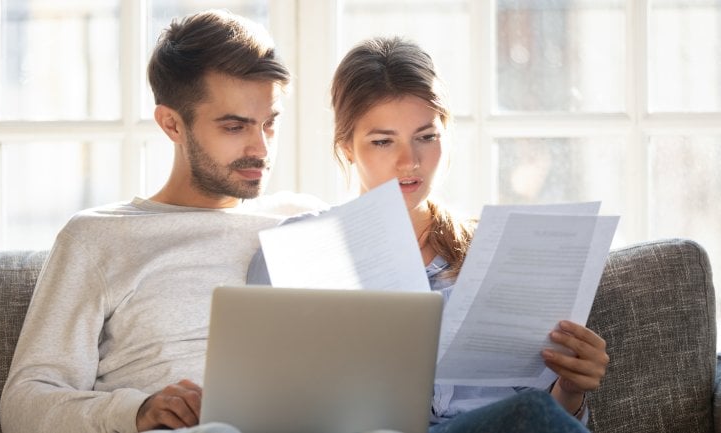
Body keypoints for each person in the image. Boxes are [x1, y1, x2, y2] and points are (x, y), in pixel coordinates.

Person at [247, 36, 609, 433]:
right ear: (347, 148)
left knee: (532, 411)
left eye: (426, 136)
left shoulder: (497, 251)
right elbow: (267, 401)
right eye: (383, 141)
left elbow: (545, 417)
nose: (410, 161)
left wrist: (571, 390)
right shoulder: (297, 251)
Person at [0, 10, 323, 433]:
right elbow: (24, 404)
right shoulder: (98, 238)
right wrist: (137, 410)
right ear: (172, 124)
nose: (260, 148)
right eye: (234, 126)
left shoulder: (305, 223)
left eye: (270, 124)